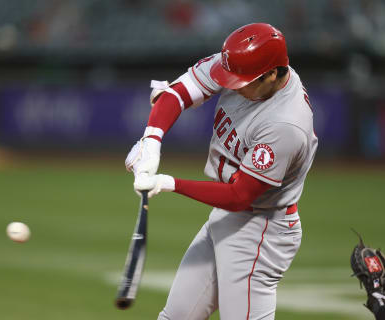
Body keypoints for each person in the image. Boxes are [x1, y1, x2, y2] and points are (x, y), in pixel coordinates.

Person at [125, 22, 318, 320]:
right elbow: (179, 92)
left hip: (262, 229)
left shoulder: (286, 125)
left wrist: (169, 183)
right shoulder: (246, 63)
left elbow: (241, 195)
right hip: (228, 216)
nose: (229, 85)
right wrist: (151, 140)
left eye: (239, 81)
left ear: (271, 75)